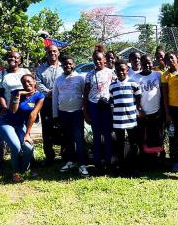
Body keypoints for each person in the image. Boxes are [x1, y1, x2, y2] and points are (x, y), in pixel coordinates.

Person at [0, 74, 44, 182]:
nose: (27, 84)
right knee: (16, 147)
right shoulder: (16, 92)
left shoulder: (40, 96)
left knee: (28, 147)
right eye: (24, 83)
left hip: (20, 125)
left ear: (34, 81)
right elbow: (13, 111)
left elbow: (33, 115)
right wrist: (18, 95)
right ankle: (16, 173)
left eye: (29, 81)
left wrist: (27, 134)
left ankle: (24, 170)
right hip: (5, 122)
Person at [53, 56, 88, 176]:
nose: (67, 66)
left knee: (79, 139)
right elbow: (55, 97)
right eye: (65, 64)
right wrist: (55, 114)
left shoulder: (80, 78)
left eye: (70, 64)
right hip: (63, 113)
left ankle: (82, 164)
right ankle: (70, 161)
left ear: (74, 64)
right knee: (67, 139)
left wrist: (85, 112)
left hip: (77, 112)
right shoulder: (58, 80)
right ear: (62, 65)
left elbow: (85, 95)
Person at [83, 45, 115, 173]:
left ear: (104, 60)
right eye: (95, 59)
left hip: (107, 107)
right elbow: (85, 95)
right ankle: (97, 162)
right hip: (93, 106)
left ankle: (108, 161)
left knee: (108, 135)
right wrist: (85, 112)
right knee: (96, 135)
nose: (97, 61)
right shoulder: (89, 75)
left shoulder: (111, 73)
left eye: (100, 59)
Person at [109, 59, 143, 175]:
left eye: (123, 70)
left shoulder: (134, 84)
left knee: (134, 143)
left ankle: (134, 167)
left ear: (127, 70)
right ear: (115, 71)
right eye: (118, 70)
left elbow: (138, 100)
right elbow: (112, 102)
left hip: (131, 119)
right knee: (119, 143)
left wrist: (138, 111)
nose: (121, 72)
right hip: (118, 120)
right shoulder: (112, 86)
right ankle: (121, 167)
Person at [35, 45, 64, 166]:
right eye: (49, 51)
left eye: (54, 51)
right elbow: (38, 83)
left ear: (58, 53)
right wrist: (49, 93)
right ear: (46, 53)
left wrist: (57, 93)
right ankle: (49, 157)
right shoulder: (40, 69)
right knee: (47, 129)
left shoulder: (65, 67)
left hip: (62, 102)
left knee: (63, 128)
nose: (52, 53)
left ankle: (65, 154)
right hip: (46, 102)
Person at [134, 55, 163, 161]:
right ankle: (144, 159)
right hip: (141, 113)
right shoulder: (135, 78)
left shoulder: (158, 75)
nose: (147, 65)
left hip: (156, 112)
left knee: (156, 137)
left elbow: (163, 93)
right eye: (144, 62)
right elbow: (133, 97)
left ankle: (156, 159)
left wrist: (161, 109)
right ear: (140, 64)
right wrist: (140, 109)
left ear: (152, 62)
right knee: (142, 137)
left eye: (149, 62)